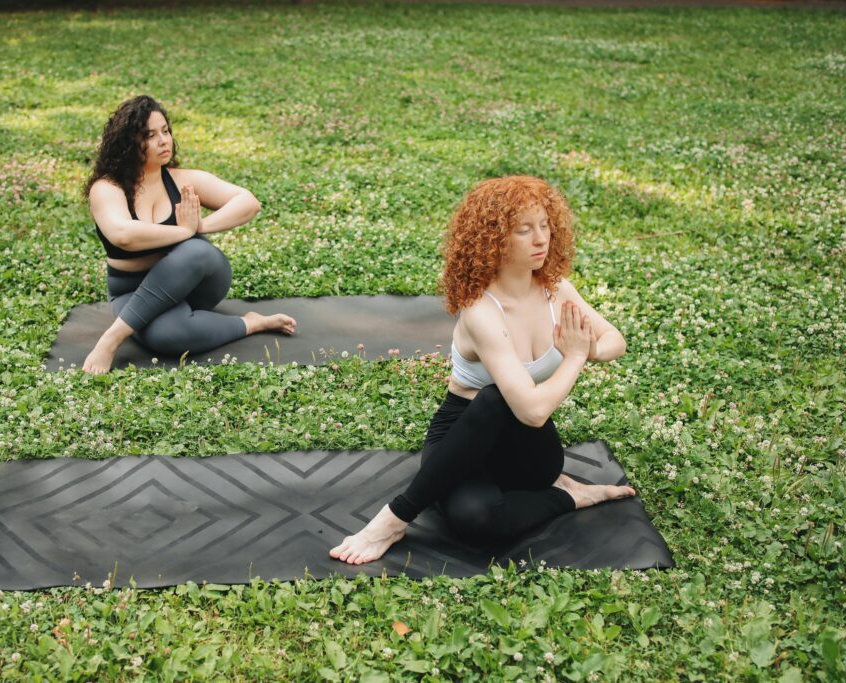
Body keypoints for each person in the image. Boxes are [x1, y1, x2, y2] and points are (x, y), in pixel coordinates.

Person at [330, 176, 636, 565]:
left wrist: (580, 351)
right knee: (476, 519)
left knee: (504, 398)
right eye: (524, 230)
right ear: (493, 239)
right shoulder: (481, 310)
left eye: (544, 225)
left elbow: (614, 341)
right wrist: (574, 355)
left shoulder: (557, 291)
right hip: (460, 440)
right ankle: (570, 496)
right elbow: (529, 406)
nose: (540, 239)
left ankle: (392, 519)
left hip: (529, 453)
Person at [82, 95, 296, 373]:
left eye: (165, 131)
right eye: (150, 135)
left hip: (196, 283)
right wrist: (182, 230)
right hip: (130, 290)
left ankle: (111, 339)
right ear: (127, 143)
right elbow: (123, 235)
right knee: (168, 337)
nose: (163, 141)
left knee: (197, 249)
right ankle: (252, 322)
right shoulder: (107, 188)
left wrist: (199, 228)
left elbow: (248, 202)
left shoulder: (182, 180)